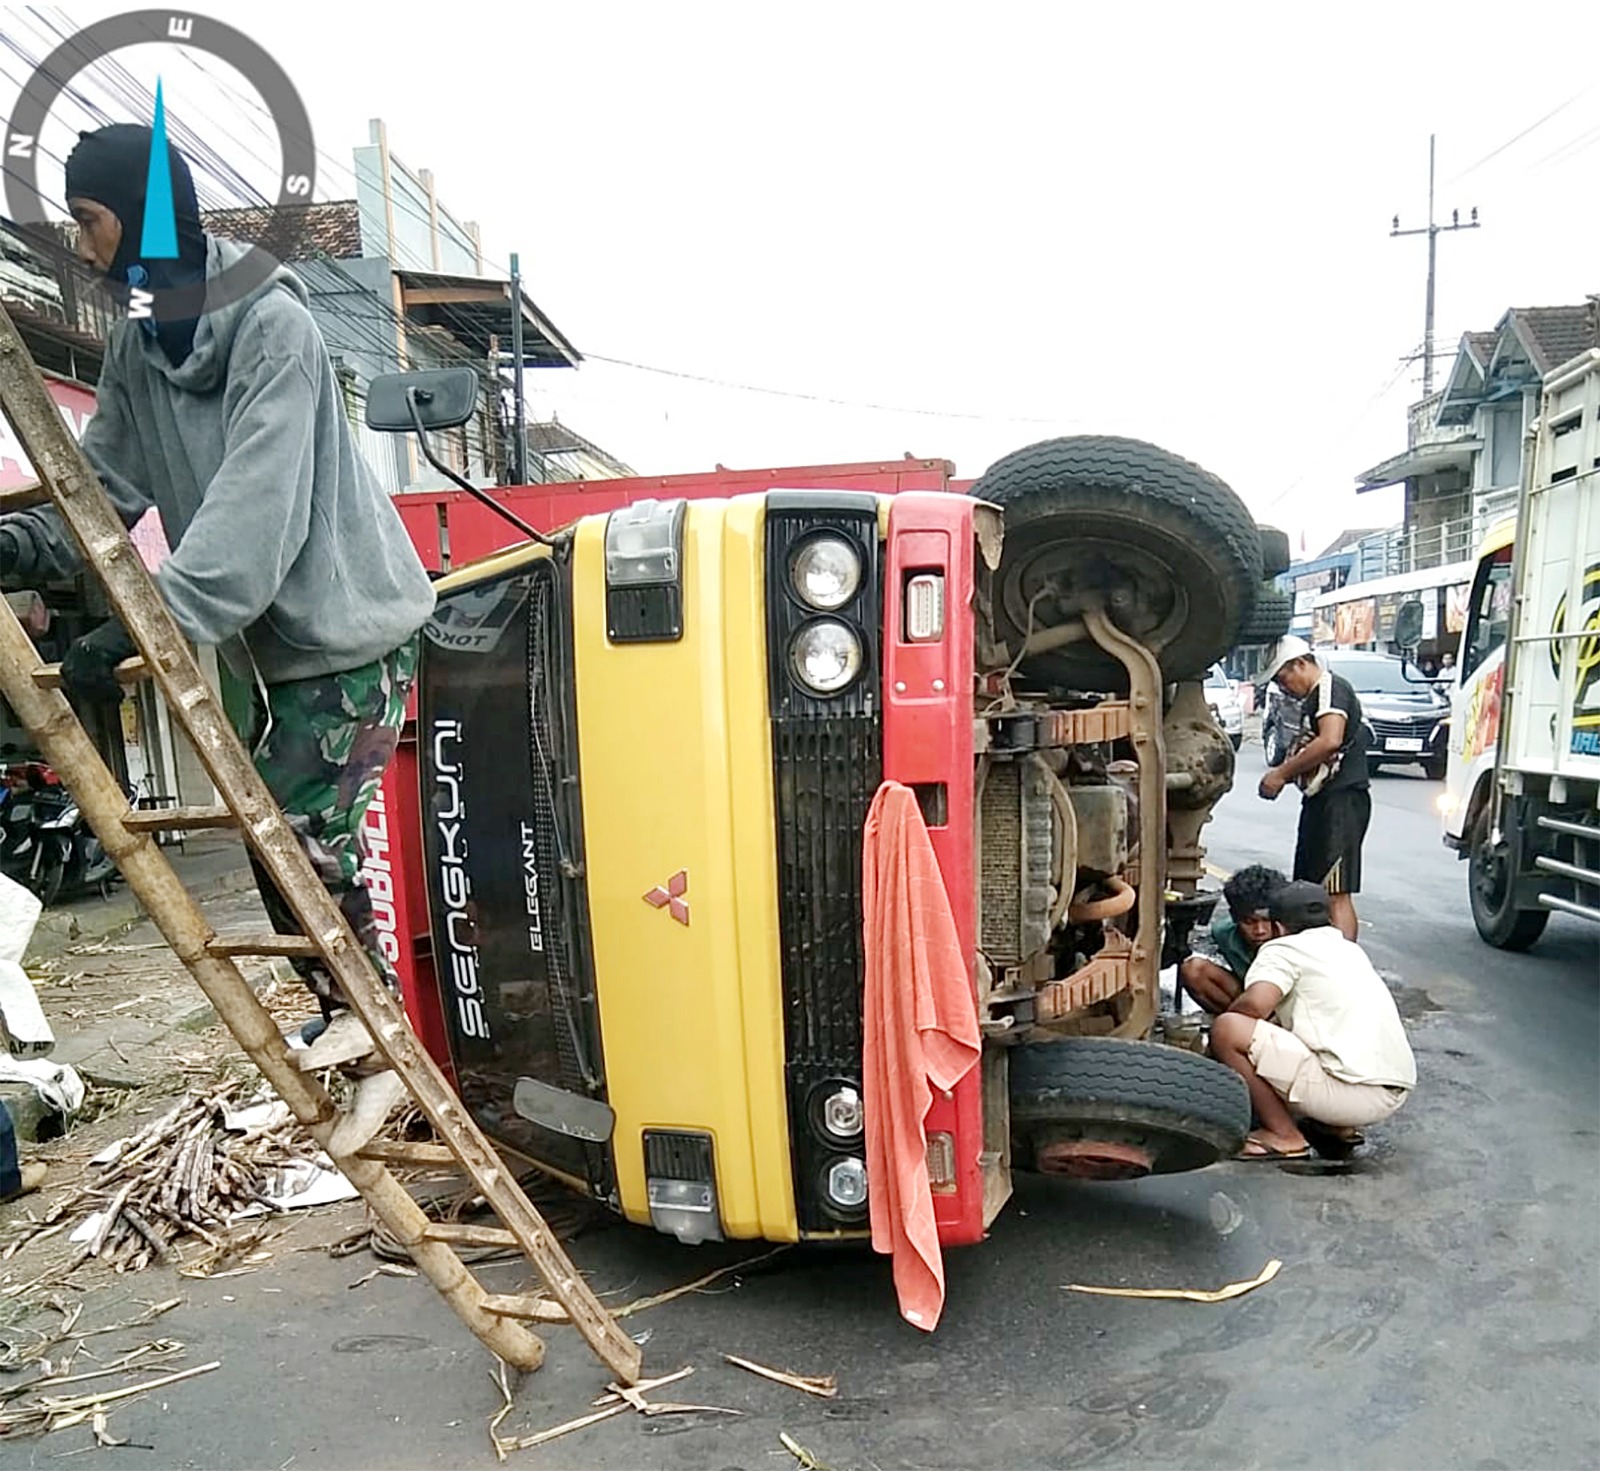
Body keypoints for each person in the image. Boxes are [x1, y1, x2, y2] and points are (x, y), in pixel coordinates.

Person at [0, 125, 437, 1139]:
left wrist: (146, 628)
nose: (84, 245)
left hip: (355, 634)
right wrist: (18, 548)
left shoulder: (272, 326)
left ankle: (381, 1048)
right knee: (274, 844)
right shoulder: (140, 346)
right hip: (265, 653)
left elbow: (256, 506)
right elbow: (97, 485)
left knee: (301, 837)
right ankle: (356, 1032)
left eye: (92, 219)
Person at [1209, 880, 1415, 1160]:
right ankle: (1335, 1125)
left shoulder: (1282, 948)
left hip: (1351, 1096)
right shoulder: (1349, 949)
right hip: (1394, 1089)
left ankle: (1284, 1135)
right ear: (1329, 920)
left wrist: (1216, 1051)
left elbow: (1256, 1004)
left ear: (1278, 927)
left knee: (1228, 1028)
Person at [1256, 635, 1369, 941]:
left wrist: (1280, 774)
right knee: (1313, 889)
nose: (1284, 687)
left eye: (1283, 678)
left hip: (1341, 801)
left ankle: (1344, 966)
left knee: (1335, 892)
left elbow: (1330, 739)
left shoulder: (1330, 689)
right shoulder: (1313, 698)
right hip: (1322, 801)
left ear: (1301, 664)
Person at [1178, 863, 1287, 1014]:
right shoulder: (1224, 934)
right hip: (1251, 995)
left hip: (1290, 1003)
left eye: (1267, 921)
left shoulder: (1296, 936)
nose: (1260, 931)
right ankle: (1240, 1022)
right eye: (1249, 922)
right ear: (1235, 918)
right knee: (1193, 970)